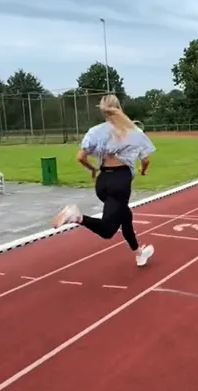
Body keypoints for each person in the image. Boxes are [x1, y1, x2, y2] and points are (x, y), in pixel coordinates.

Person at [52, 94, 156, 267]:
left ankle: (139, 253)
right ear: (119, 107)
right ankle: (77, 217)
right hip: (120, 182)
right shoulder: (134, 131)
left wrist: (92, 169)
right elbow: (145, 160)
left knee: (125, 216)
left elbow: (80, 157)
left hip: (103, 182)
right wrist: (142, 171)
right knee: (108, 230)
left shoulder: (94, 131)